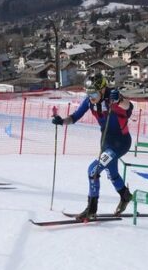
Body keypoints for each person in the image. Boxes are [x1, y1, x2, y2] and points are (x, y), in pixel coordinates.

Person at [52, 74, 134, 219]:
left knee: (93, 171)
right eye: (88, 93)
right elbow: (75, 117)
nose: (91, 97)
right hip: (106, 143)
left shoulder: (112, 97)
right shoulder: (90, 101)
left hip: (120, 143)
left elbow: (128, 107)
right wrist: (62, 121)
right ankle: (125, 195)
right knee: (112, 173)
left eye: (94, 94)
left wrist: (120, 100)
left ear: (102, 90)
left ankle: (91, 209)